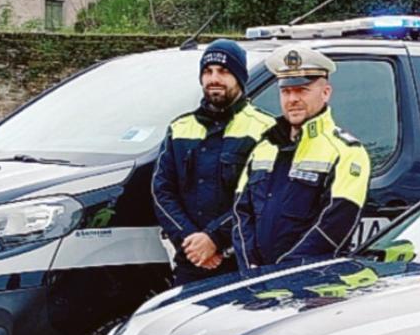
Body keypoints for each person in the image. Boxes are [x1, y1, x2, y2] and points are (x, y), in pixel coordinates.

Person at [231, 44, 370, 269]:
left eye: (302, 90)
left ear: (326, 93)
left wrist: (287, 272)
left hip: (313, 284)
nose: (292, 99)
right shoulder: (263, 147)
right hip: (258, 281)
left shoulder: (346, 151)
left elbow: (334, 227)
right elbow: (241, 214)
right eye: (286, 91)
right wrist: (251, 268)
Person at [152, 38, 275, 285]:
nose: (214, 79)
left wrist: (215, 240)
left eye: (223, 71)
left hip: (242, 262)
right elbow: (161, 192)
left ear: (240, 78)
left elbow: (261, 199)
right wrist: (192, 242)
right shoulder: (180, 128)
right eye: (208, 72)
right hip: (192, 261)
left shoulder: (266, 129)